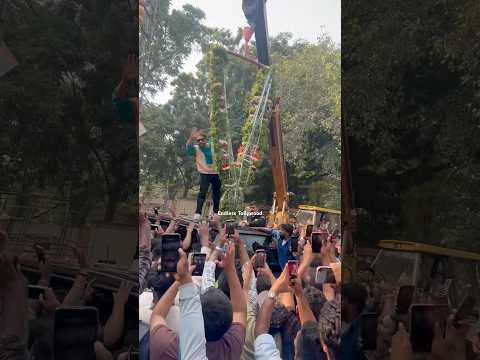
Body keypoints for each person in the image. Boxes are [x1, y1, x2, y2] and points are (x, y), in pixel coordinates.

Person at [186, 127, 221, 221]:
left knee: (216, 193)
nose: (200, 141)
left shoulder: (213, 146)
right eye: (198, 140)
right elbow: (188, 149)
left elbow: (222, 146)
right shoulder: (196, 148)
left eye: (202, 139)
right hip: (204, 173)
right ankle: (198, 213)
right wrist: (191, 137)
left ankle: (216, 213)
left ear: (205, 139)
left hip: (216, 173)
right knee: (202, 192)